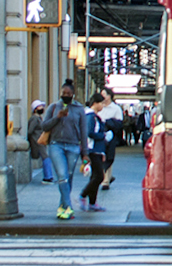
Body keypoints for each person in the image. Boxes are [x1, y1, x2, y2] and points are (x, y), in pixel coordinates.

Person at [38, 79, 84, 220]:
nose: (66, 95)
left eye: (68, 93)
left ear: (73, 95)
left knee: (68, 177)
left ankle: (62, 206)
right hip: (56, 145)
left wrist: (85, 153)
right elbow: (44, 126)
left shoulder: (79, 109)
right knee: (62, 176)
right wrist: (57, 118)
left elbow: (83, 131)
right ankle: (69, 206)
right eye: (63, 93)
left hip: (73, 146)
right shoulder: (53, 107)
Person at [77, 92, 110, 211]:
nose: (103, 106)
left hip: (97, 149)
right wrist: (103, 136)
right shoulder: (91, 116)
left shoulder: (92, 116)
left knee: (95, 176)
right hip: (93, 149)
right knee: (99, 176)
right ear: (95, 103)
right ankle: (83, 195)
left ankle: (92, 202)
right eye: (101, 103)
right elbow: (89, 133)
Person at [27, 101, 54, 183]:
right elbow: (30, 131)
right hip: (37, 141)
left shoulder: (39, 118)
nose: (42, 108)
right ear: (35, 109)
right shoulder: (34, 119)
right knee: (45, 157)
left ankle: (48, 176)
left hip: (40, 141)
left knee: (45, 157)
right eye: (40, 107)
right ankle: (48, 176)